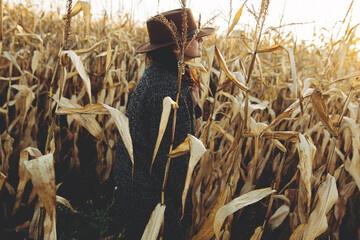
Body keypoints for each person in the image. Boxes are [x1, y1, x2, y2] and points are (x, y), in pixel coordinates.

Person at [114, 8, 214, 240]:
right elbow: (176, 154)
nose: (200, 39)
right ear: (177, 47)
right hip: (151, 199)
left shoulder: (160, 75)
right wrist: (179, 203)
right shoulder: (169, 90)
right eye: (194, 36)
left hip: (138, 191)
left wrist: (194, 107)